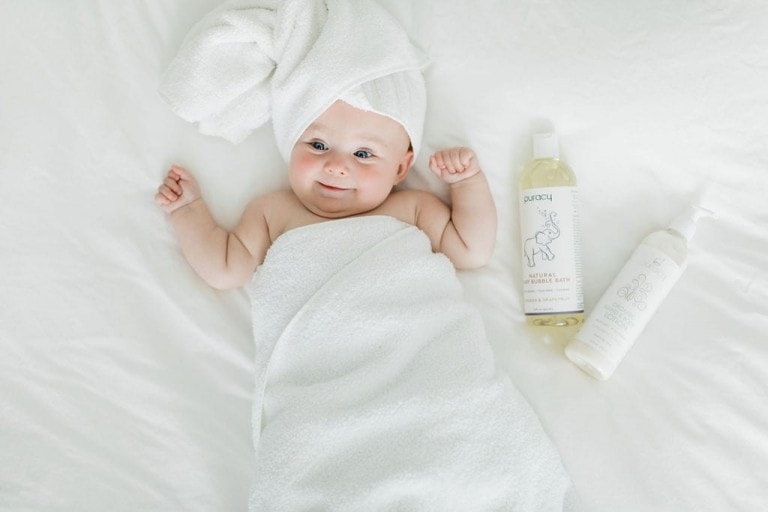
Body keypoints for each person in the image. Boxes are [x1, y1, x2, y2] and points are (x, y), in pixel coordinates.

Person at [155, 99, 497, 289]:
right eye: (318, 145)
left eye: (363, 154)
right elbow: (226, 269)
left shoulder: (412, 209)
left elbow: (471, 251)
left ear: (400, 169)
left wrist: (467, 184)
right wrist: (188, 211)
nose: (336, 166)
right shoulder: (273, 212)